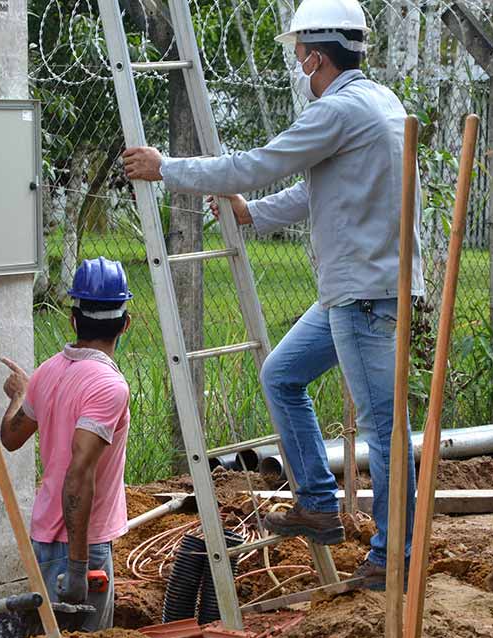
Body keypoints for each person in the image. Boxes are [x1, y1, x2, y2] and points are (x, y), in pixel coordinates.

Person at [120, 0, 424, 589]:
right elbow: (321, 193)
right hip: (359, 290)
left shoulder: (337, 111)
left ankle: (392, 560)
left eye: (299, 55)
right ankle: (317, 499)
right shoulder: (377, 102)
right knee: (281, 373)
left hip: (363, 296)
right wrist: (252, 214)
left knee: (387, 431)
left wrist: (167, 168)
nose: (298, 65)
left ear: (315, 53)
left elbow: (256, 164)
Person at [0, 256, 133, 630]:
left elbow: (11, 437)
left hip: (44, 539)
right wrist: (78, 568)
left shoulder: (47, 371)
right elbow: (79, 472)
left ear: (73, 320)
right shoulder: (109, 386)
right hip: (81, 547)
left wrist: (19, 395)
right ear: (126, 324)